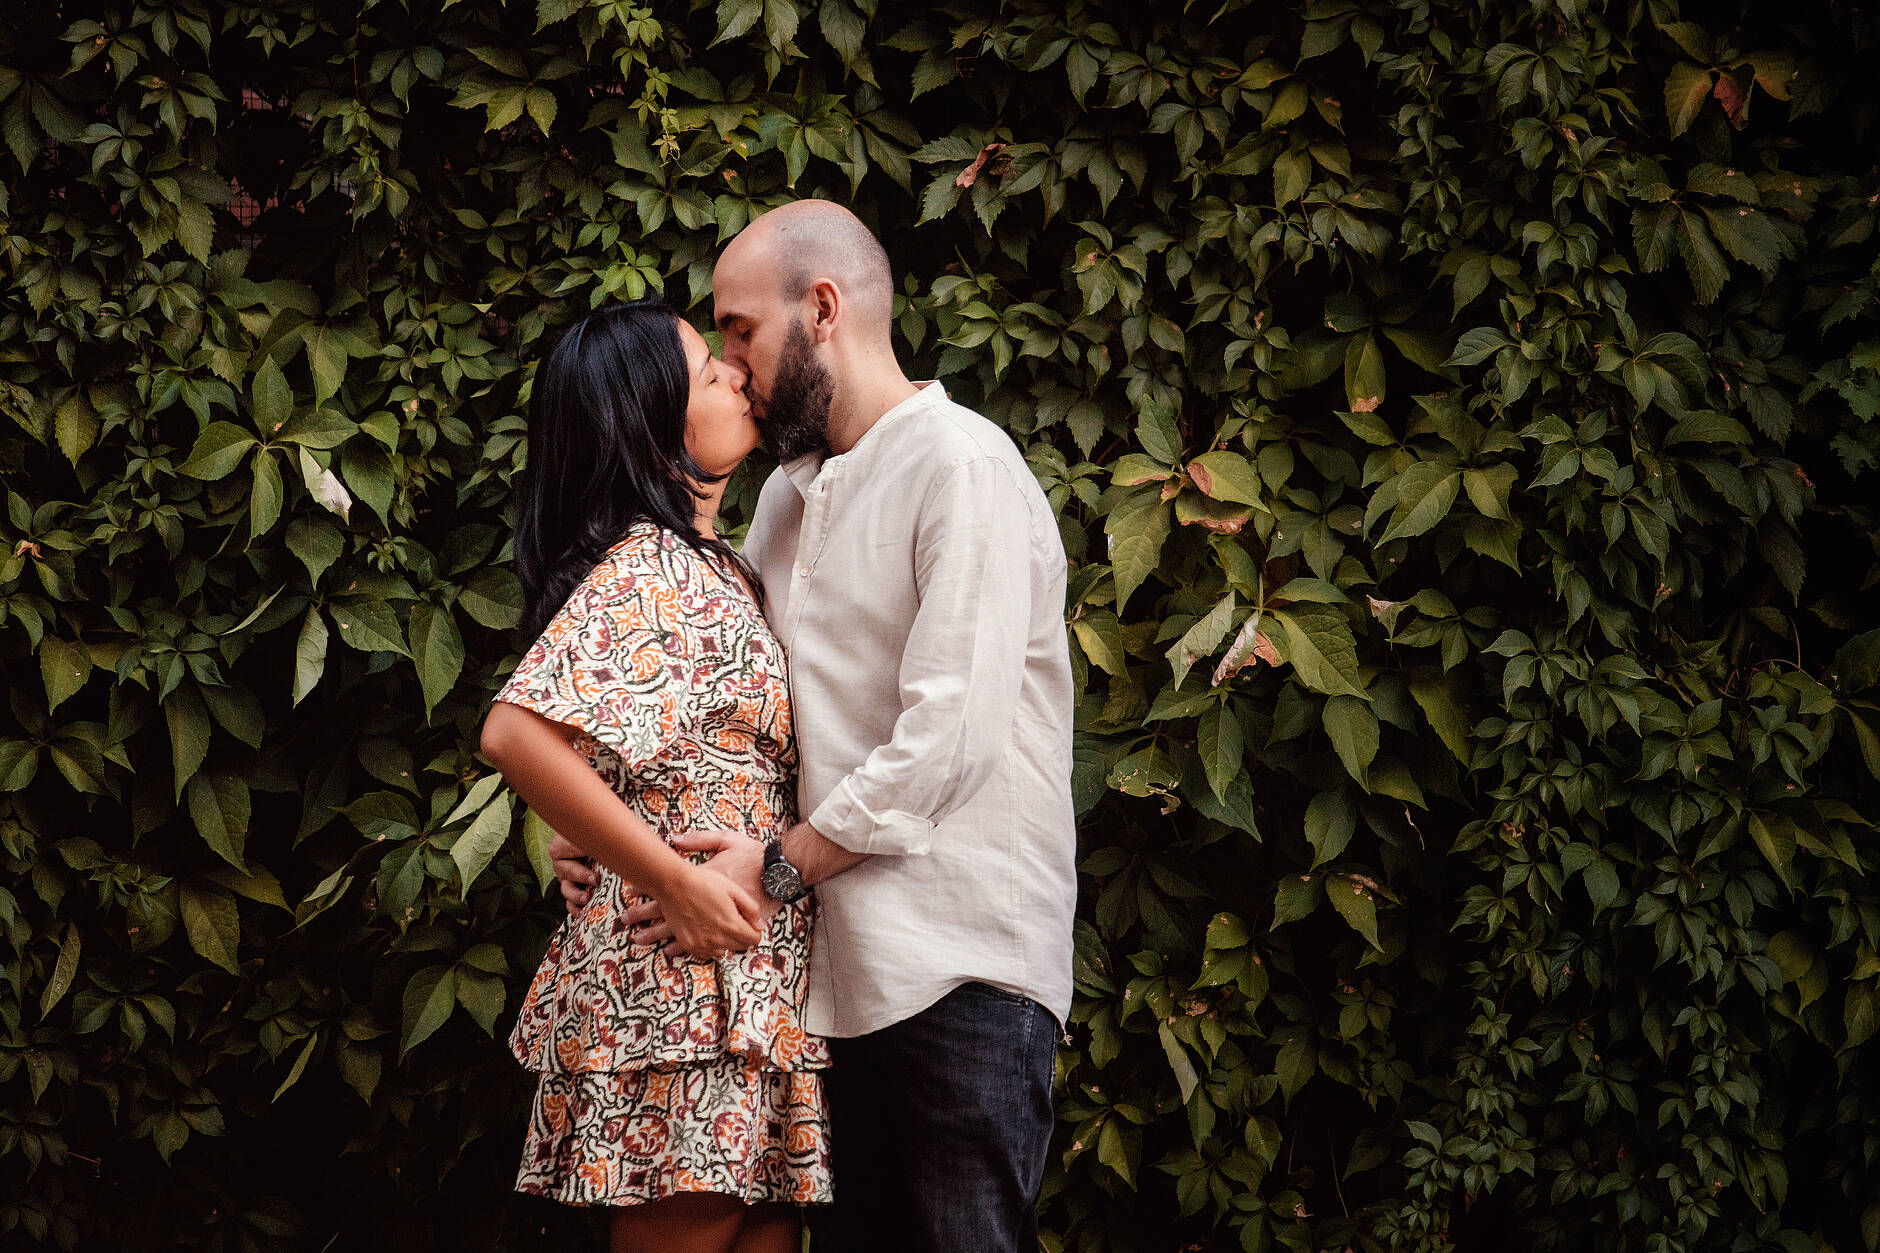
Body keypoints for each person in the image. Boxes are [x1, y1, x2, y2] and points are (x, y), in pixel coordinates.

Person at [551, 200, 1079, 1252]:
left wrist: (772, 867)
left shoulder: (961, 467)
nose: (731, 365)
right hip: (819, 987)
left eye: (737, 330)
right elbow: (738, 714)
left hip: (956, 972)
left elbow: (948, 741)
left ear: (822, 309)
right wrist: (612, 828)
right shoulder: (788, 498)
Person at [479, 297, 832, 1253]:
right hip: (680, 992)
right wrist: (671, 876)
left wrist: (601, 826)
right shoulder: (651, 565)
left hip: (743, 991)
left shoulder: (717, 566)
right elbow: (516, 733)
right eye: (700, 372)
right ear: (645, 422)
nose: (731, 372)